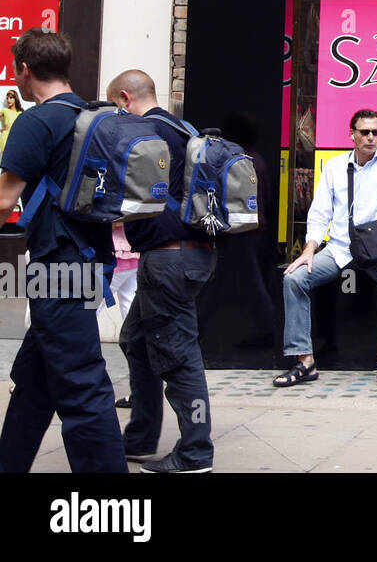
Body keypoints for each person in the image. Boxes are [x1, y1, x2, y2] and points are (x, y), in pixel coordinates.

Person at [0, 29, 127, 473]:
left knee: (81, 386)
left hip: (57, 267)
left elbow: (2, 201)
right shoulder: (94, 116)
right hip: (92, 263)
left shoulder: (36, 122)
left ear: (25, 70)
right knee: (36, 378)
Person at [107, 69, 218, 473]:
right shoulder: (183, 129)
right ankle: (139, 437)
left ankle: (195, 453)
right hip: (192, 253)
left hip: (170, 258)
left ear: (124, 97)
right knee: (135, 339)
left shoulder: (145, 133)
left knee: (179, 353)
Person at [275, 109, 377, 390]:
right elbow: (319, 213)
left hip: (376, 252)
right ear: (352, 135)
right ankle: (304, 360)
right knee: (294, 278)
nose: (371, 137)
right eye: (365, 132)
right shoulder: (336, 167)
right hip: (338, 248)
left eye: (376, 132)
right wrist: (309, 250)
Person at [0, 88, 23, 156]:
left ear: (15, 98)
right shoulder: (4, 110)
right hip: (5, 139)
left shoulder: (21, 112)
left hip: (17, 139)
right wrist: (1, 130)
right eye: (7, 98)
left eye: (11, 98)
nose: (8, 100)